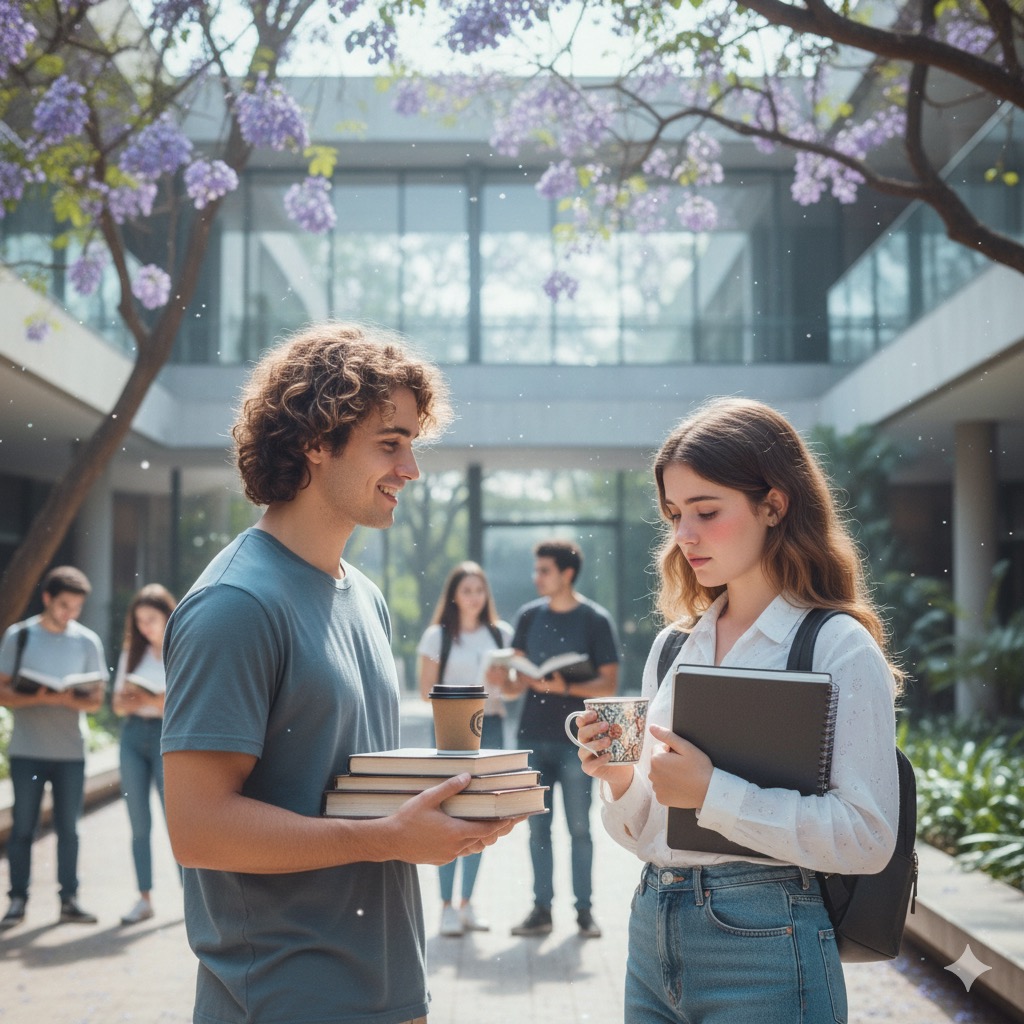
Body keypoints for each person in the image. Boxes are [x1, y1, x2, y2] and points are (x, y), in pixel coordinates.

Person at [160, 322, 524, 1024]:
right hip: (283, 996)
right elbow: (198, 827)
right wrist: (387, 837)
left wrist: (447, 805)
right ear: (314, 441)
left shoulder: (364, 595)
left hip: (386, 988)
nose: (410, 470)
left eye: (412, 445)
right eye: (390, 444)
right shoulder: (234, 605)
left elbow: (340, 784)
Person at [575, 396, 901, 1023]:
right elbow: (649, 831)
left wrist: (711, 791)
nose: (684, 535)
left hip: (766, 941)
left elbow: (866, 838)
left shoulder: (834, 645)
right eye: (674, 514)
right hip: (652, 928)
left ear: (773, 505)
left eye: (706, 511)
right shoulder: (675, 645)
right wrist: (620, 781)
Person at [506, 538, 619, 940]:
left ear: (566, 574)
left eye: (544, 570)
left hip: (578, 743)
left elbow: (608, 684)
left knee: (579, 829)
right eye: (536, 570)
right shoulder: (527, 616)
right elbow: (513, 681)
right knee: (537, 829)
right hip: (532, 737)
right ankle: (541, 911)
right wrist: (506, 676)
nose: (536, 577)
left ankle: (585, 913)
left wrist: (562, 688)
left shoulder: (595, 620)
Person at [0, 565, 108, 929]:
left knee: (69, 830)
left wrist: (65, 700)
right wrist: (39, 697)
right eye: (64, 605)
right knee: (23, 829)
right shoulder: (20, 636)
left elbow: (95, 701)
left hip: (70, 754)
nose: (70, 614)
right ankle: (17, 901)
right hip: (27, 750)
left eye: (76, 607)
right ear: (47, 598)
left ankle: (69, 900)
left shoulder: (87, 641)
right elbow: (2, 691)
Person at [417, 560, 513, 937]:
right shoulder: (436, 636)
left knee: (481, 817)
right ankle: (444, 907)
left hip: (491, 725)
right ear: (454, 596)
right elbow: (427, 691)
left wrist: (500, 680)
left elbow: (514, 690)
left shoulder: (501, 634)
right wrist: (470, 691)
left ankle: (467, 904)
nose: (474, 597)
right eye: (467, 590)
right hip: (451, 729)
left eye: (480, 590)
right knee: (448, 813)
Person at [111, 583, 177, 926]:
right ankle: (144, 898)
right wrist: (141, 700)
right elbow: (118, 705)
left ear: (168, 614)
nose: (145, 627)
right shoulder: (131, 653)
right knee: (139, 823)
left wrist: (149, 699)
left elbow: (180, 707)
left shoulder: (182, 648)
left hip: (169, 740)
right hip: (134, 738)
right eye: (139, 621)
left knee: (176, 821)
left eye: (151, 618)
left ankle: (191, 894)